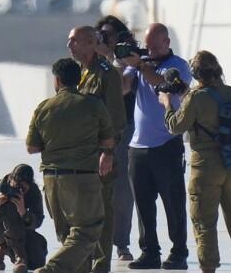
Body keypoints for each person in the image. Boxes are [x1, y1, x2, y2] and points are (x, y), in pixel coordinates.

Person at [162, 51, 231, 273]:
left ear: (195, 73)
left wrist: (167, 104)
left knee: (204, 222)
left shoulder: (195, 97)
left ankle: (208, 267)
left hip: (206, 167)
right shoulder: (230, 92)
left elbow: (176, 126)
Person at [26, 57, 116, 273]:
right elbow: (108, 140)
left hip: (52, 180)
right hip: (82, 178)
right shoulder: (93, 105)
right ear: (79, 79)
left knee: (68, 237)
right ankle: (51, 270)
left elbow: (31, 147)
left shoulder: (44, 107)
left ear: (57, 80)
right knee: (88, 232)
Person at [119, 23, 191, 270]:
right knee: (143, 204)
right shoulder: (140, 63)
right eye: (147, 47)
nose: (150, 51)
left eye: (155, 47)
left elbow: (165, 85)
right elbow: (122, 87)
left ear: (166, 43)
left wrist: (141, 65)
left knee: (173, 203)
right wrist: (119, 61)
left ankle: (179, 252)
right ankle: (149, 251)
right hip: (138, 145)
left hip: (166, 143)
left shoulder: (178, 66)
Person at [70, 25, 128, 273]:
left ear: (91, 43)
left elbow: (116, 119)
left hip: (99, 156)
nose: (69, 45)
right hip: (79, 157)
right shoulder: (77, 73)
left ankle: (101, 265)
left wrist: (108, 153)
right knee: (80, 214)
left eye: (74, 41)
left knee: (102, 212)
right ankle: (84, 261)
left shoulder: (107, 74)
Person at [96, 15, 138, 263]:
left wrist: (112, 57)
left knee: (121, 190)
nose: (104, 40)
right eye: (101, 35)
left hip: (123, 129)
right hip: (95, 129)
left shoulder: (128, 60)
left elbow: (122, 87)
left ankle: (121, 242)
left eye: (108, 35)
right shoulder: (92, 64)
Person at [0, 163, 46, 272]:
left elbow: (38, 221)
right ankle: (20, 257)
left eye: (23, 189)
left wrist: (24, 213)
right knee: (9, 209)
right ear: (10, 179)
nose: (19, 191)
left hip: (20, 230)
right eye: (16, 187)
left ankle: (0, 248)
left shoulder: (33, 192)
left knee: (36, 261)